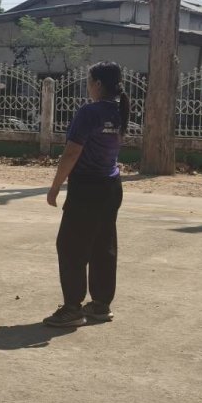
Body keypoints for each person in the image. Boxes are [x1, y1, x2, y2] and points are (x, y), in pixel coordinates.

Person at [43, 61, 128, 328]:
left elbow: (71, 152)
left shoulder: (89, 112)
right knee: (103, 246)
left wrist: (55, 186)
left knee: (71, 246)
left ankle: (72, 308)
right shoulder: (119, 109)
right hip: (111, 186)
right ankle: (101, 304)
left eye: (89, 82)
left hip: (87, 188)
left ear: (98, 84)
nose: (88, 87)